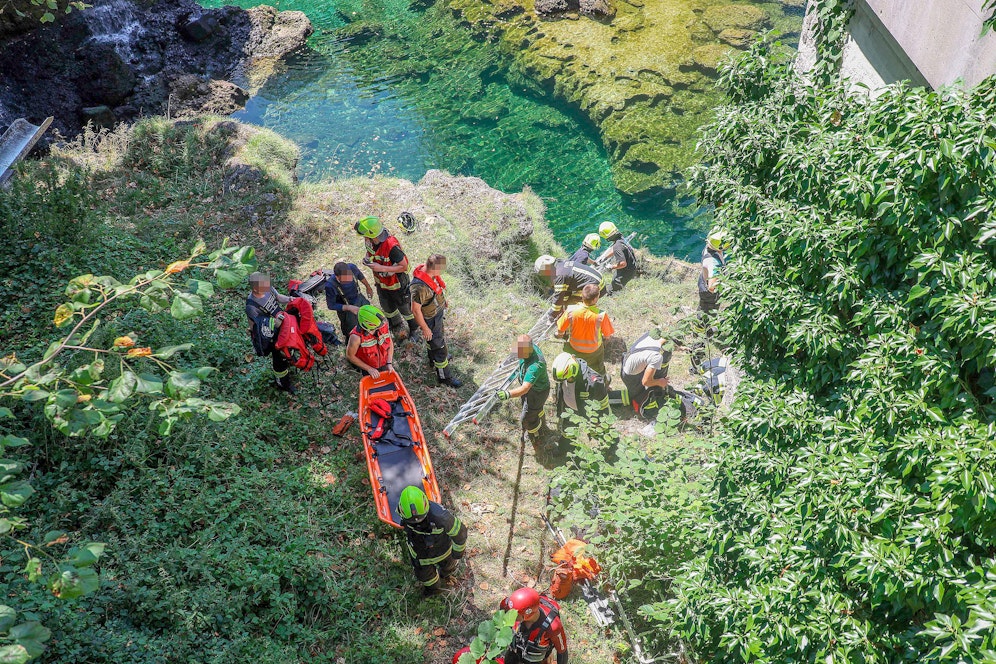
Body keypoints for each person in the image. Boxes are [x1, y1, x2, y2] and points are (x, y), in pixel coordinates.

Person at [354, 215, 418, 341]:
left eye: (365, 236)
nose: (364, 238)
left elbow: (404, 266)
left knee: (405, 308)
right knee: (387, 307)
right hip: (382, 284)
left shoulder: (391, 246)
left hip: (397, 285)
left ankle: (414, 328)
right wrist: (367, 258)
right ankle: (396, 324)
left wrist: (381, 268)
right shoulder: (370, 241)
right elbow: (370, 251)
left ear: (372, 235)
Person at [397, 485, 468, 596]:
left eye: (422, 518)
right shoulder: (402, 511)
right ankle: (434, 590)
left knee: (448, 567)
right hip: (420, 557)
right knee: (427, 578)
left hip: (444, 552)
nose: (418, 523)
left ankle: (445, 576)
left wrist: (458, 553)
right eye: (412, 521)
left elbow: (460, 532)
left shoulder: (441, 517)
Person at [411, 254, 462, 388]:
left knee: (434, 341)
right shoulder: (419, 288)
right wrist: (425, 328)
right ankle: (444, 377)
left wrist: (442, 302)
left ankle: (432, 359)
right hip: (430, 319)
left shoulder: (429, 272)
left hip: (436, 315)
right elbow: (415, 310)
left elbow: (434, 289)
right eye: (441, 269)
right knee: (439, 348)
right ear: (434, 269)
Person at [245, 271, 296, 394]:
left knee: (290, 346)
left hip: (283, 325)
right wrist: (273, 324)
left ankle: (290, 359)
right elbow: (257, 327)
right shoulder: (251, 306)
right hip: (272, 335)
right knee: (279, 360)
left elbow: (278, 297)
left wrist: (290, 299)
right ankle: (283, 383)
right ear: (255, 289)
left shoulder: (268, 288)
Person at [496, 335, 552, 445]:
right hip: (532, 389)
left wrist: (508, 394)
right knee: (534, 409)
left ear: (528, 350)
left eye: (519, 352)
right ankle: (539, 414)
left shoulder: (535, 366)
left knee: (527, 418)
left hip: (537, 393)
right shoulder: (527, 348)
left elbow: (525, 388)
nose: (517, 353)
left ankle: (535, 434)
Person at [555, 284, 614, 376]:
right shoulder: (601, 315)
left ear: (582, 296)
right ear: (595, 299)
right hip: (594, 350)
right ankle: (601, 379)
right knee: (598, 368)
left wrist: (560, 334)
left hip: (574, 347)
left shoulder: (571, 311)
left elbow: (560, 330)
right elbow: (607, 336)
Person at [500, 587, 569, 664]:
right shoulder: (508, 607)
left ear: (528, 613)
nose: (511, 615)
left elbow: (562, 651)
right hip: (515, 651)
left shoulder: (553, 627)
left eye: (515, 614)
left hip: (534, 659)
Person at [620, 329, 672, 419]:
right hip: (631, 376)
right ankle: (632, 404)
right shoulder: (656, 356)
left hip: (628, 361)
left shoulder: (652, 335)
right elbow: (645, 382)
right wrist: (660, 382)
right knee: (638, 396)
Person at [552, 353, 608, 434]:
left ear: (573, 372)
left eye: (568, 379)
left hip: (585, 415)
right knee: (568, 435)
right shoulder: (563, 375)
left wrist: (599, 421)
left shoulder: (593, 383)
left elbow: (603, 403)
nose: (566, 381)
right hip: (569, 411)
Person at [533, 255, 605, 319]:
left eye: (542, 273)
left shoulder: (559, 275)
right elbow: (566, 290)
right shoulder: (561, 264)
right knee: (567, 303)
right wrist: (563, 304)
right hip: (597, 279)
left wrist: (552, 315)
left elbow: (558, 297)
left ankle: (585, 319)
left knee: (572, 305)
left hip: (596, 287)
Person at [324, 261, 374, 338]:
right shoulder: (330, 285)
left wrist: (368, 287)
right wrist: (349, 307)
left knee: (369, 317)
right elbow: (331, 305)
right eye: (345, 279)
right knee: (353, 331)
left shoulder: (352, 268)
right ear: (337, 277)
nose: (349, 280)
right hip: (346, 309)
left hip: (358, 298)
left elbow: (360, 276)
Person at [345, 304, 394, 378]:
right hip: (368, 366)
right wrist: (369, 369)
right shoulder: (356, 337)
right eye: (376, 327)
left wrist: (389, 362)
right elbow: (350, 356)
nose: (381, 327)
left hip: (384, 362)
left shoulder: (383, 325)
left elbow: (389, 342)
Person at [598, 221, 638, 292]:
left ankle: (613, 293)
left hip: (627, 271)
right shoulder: (620, 238)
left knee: (614, 287)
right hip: (632, 266)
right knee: (615, 278)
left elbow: (623, 264)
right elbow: (616, 249)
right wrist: (606, 257)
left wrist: (611, 267)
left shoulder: (617, 246)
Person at [698, 229, 728, 313]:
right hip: (709, 292)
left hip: (703, 280)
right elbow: (712, 287)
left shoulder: (709, 247)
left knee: (703, 306)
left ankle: (700, 317)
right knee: (709, 311)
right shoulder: (713, 263)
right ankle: (702, 321)